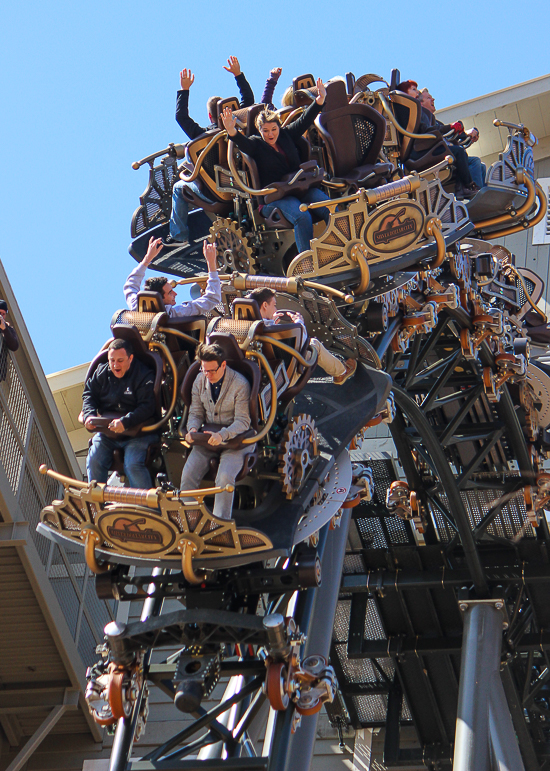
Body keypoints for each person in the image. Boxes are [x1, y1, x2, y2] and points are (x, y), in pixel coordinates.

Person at [220, 77, 330, 254]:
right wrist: (232, 131)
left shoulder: (286, 135)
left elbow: (305, 120)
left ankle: (341, 246)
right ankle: (308, 263)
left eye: (273, 129)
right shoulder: (256, 144)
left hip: (300, 188)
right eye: (266, 130)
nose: (270, 134)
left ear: (279, 127)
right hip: (276, 197)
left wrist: (319, 101)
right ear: (260, 130)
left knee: (331, 207)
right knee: (302, 216)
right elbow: (243, 144)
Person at [166, 57, 255, 247]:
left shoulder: (204, 135)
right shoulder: (244, 127)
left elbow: (181, 117)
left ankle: (178, 237)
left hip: (217, 194)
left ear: (209, 116)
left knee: (179, 187)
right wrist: (238, 75)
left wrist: (184, 89)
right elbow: (249, 101)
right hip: (247, 186)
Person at [180, 343, 252, 520]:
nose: (208, 375)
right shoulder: (199, 381)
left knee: (224, 478)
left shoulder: (240, 384)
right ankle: (188, 520)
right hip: (207, 439)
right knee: (188, 474)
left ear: (224, 365)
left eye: (212, 371)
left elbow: (243, 421)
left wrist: (222, 435)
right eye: (205, 370)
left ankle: (221, 523)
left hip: (235, 441)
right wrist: (192, 429)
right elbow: (196, 412)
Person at [82, 339, 158, 488]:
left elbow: (147, 407)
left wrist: (125, 422)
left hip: (138, 433)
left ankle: (146, 508)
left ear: (130, 358)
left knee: (132, 465)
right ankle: (97, 505)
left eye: (120, 361)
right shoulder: (102, 373)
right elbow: (88, 395)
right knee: (94, 460)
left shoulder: (143, 375)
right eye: (112, 360)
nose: (115, 365)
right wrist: (89, 415)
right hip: (108, 432)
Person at [246, 287, 357, 385]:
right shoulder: (271, 330)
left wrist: (271, 322)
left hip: (254, 378)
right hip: (281, 380)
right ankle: (341, 372)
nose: (275, 310)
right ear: (265, 305)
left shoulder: (240, 325)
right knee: (314, 344)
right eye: (274, 305)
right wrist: (299, 323)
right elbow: (301, 342)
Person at [124, 239, 221, 316]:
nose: (175, 293)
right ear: (158, 299)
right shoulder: (174, 315)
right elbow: (212, 299)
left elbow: (130, 285)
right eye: (170, 292)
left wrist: (147, 258)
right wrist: (211, 264)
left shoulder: (136, 307)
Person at [420, 88, 486, 190]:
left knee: (481, 166)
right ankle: (474, 191)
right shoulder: (423, 119)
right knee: (474, 161)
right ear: (421, 103)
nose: (433, 99)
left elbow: (453, 134)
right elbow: (440, 130)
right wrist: (451, 127)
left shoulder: (437, 122)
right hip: (437, 156)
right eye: (428, 98)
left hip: (449, 154)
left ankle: (482, 193)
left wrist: (469, 133)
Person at [0, 299, 19, 382]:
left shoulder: (9, 329)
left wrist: (4, 329)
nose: (1, 316)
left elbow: (14, 346)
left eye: (3, 314)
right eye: (0, 313)